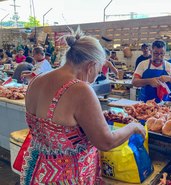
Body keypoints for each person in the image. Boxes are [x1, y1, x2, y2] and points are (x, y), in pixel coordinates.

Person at [21, 28, 146, 184]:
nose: (96, 76)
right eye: (98, 70)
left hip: (37, 173)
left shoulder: (36, 80)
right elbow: (105, 142)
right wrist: (133, 127)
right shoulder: (80, 89)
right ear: (91, 65)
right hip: (67, 177)